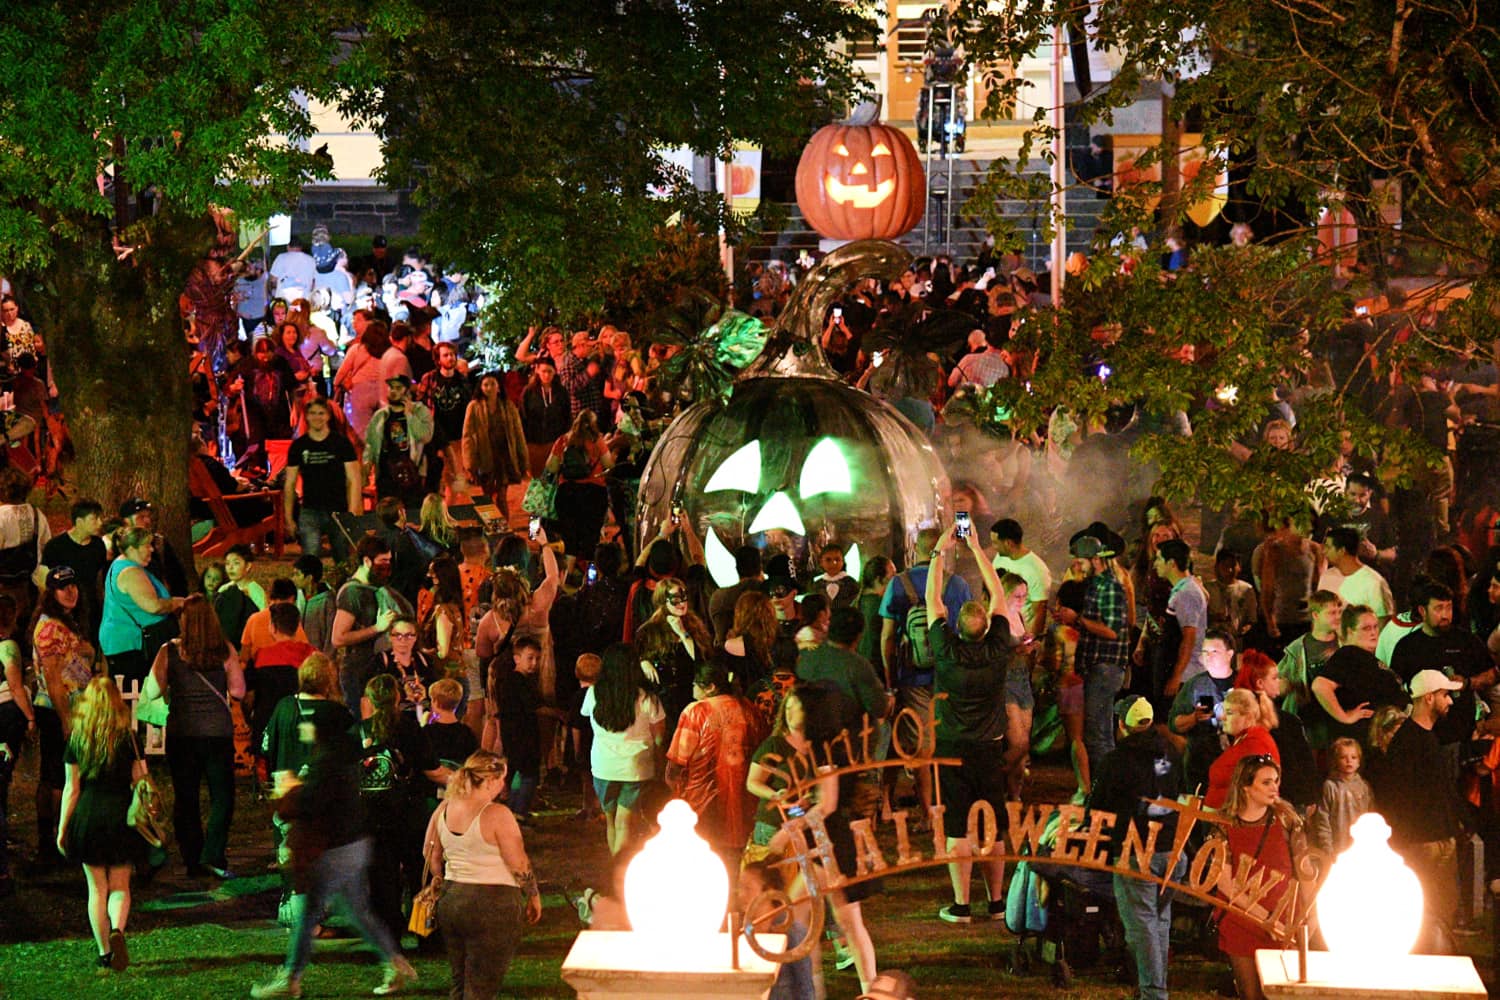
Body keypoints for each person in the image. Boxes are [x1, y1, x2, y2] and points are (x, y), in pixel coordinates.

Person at [251, 679, 417, 999]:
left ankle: (291, 979)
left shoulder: (325, 761)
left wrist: (287, 793)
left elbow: (312, 804)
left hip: (333, 849)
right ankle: (395, 963)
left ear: (321, 729)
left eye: (310, 725)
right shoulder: (341, 755)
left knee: (310, 913)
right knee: (357, 912)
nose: (304, 728)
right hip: (352, 845)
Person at [924, 523, 1010, 923]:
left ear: (956, 627)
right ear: (989, 628)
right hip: (990, 746)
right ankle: (996, 902)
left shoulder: (945, 650)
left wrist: (941, 551)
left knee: (957, 827)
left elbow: (932, 600)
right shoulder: (997, 650)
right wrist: (976, 548)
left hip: (953, 747)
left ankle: (960, 904)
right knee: (992, 824)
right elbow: (1000, 597)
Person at [1085, 696, 1186, 1000]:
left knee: (1142, 926)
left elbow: (1098, 810)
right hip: (1173, 852)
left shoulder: (1115, 761)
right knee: (1159, 922)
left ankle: (1154, 993)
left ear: (1121, 725)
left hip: (1138, 852)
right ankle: (1157, 986)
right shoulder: (1170, 752)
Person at [421, 751, 543, 999]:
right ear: (489, 781)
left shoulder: (444, 809)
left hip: (453, 900)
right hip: (492, 904)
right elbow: (518, 863)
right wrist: (533, 895)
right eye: (502, 779)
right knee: (483, 985)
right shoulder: (498, 814)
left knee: (460, 979)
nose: (503, 785)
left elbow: (430, 853)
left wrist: (441, 878)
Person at [143, 595, 244, 879]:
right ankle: (213, 853)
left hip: (182, 734)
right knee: (222, 796)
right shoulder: (224, 650)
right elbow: (237, 690)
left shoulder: (169, 651)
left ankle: (192, 860)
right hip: (217, 733)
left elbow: (151, 691)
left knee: (185, 797)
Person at [1365, 669, 1465, 954]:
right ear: (1429, 698)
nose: (1450, 701)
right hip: (1423, 841)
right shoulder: (1409, 741)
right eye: (1446, 695)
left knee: (1439, 909)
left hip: (1436, 837)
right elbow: (1400, 796)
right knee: (1428, 910)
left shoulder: (1422, 738)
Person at [56, 677, 142, 972]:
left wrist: (62, 828)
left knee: (97, 889)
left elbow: (72, 789)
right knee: (120, 884)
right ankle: (117, 928)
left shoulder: (77, 739)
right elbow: (139, 781)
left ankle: (105, 952)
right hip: (120, 815)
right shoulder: (127, 738)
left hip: (88, 816)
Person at [356, 673, 444, 942]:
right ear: (398, 697)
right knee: (420, 874)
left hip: (373, 816)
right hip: (409, 811)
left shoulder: (359, 731)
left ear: (369, 700)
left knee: (383, 879)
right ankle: (425, 933)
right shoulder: (409, 728)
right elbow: (431, 770)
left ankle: (389, 940)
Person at [1216, 756, 1304, 1000]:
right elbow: (1224, 882)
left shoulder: (1287, 819)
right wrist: (1266, 919)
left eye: (1276, 781)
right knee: (1251, 994)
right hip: (1242, 920)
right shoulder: (1223, 825)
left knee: (1283, 993)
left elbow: (1306, 872)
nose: (1274, 787)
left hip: (1283, 919)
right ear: (1245, 786)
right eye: (1266, 782)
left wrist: (1305, 920)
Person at [31, 567, 97, 868]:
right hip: (58, 709)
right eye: (63, 588)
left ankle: (62, 838)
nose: (70, 592)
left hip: (75, 706)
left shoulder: (65, 623)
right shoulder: (49, 630)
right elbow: (54, 679)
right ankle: (55, 841)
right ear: (50, 593)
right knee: (58, 776)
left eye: (73, 586)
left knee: (64, 774)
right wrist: (66, 718)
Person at [665, 661, 766, 851]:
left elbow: (678, 759)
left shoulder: (696, 711)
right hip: (745, 802)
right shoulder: (750, 710)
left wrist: (674, 791)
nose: (692, 687)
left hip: (703, 802)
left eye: (695, 683)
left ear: (710, 687)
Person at [1053, 534, 1129, 769]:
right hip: (1094, 666)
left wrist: (1078, 619)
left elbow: (1112, 631)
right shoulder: (1094, 586)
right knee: (1094, 731)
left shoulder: (1110, 588)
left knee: (1099, 733)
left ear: (1095, 560)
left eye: (1080, 561)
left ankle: (1104, 790)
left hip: (1106, 668)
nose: (1076, 566)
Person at [581, 643, 665, 855]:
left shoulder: (594, 693)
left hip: (603, 767)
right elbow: (659, 737)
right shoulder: (647, 698)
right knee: (625, 824)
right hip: (636, 768)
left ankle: (615, 869)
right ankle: (618, 875)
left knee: (611, 823)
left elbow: (585, 716)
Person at [331, 535, 414, 713]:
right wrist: (377, 628)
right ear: (367, 561)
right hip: (358, 672)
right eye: (383, 560)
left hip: (379, 668)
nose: (387, 566)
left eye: (389, 560)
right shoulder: (352, 593)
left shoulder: (379, 588)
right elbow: (338, 638)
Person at [1308, 604, 1408, 748]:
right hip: (1364, 743)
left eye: (1375, 627)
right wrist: (1345, 717)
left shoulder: (1366, 658)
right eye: (1366, 628)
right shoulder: (1348, 654)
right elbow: (1320, 686)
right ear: (1350, 631)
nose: (1373, 632)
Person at [99, 527, 185, 684]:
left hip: (127, 644)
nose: (151, 549)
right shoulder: (130, 572)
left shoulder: (124, 565)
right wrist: (177, 602)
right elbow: (153, 606)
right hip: (133, 646)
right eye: (147, 545)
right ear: (132, 549)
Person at [283, 396, 362, 565]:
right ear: (307, 416)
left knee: (343, 560)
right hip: (310, 510)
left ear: (328, 416)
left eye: (321, 413)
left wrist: (353, 512)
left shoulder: (341, 443)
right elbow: (289, 484)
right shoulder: (299, 446)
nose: (317, 417)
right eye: (312, 413)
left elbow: (353, 479)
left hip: (338, 509)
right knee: (310, 561)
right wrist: (288, 517)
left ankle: (343, 590)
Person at [634, 575, 713, 737]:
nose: (682, 603)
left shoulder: (695, 625)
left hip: (691, 695)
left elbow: (701, 659)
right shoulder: (648, 631)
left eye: (684, 597)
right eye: (676, 599)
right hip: (663, 700)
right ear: (664, 600)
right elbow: (636, 658)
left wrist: (683, 634)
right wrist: (643, 662)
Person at [1170, 628, 1237, 797]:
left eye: (1215, 651)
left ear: (1229, 654)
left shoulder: (1243, 682)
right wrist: (1194, 717)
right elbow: (1174, 723)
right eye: (1205, 651)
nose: (1209, 656)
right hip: (1201, 764)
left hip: (1237, 764)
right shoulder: (1194, 686)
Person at [547, 409, 614, 562]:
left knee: (570, 536)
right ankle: (588, 575)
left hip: (567, 493)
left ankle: (569, 574)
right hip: (594, 493)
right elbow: (608, 464)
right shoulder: (597, 441)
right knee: (590, 536)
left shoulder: (564, 440)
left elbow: (551, 467)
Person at [461, 371, 528, 525]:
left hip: (504, 458)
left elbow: (518, 434)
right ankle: (491, 525)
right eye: (485, 384)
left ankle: (504, 527)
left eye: (492, 384)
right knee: (487, 496)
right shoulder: (474, 407)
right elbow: (468, 436)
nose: (489, 388)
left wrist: (522, 459)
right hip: (485, 458)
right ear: (481, 387)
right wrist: (470, 463)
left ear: (499, 387)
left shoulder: (508, 406)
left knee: (502, 496)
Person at [366, 374, 434, 517]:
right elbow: (370, 445)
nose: (393, 391)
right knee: (387, 517)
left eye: (398, 388)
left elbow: (425, 436)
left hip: (411, 475)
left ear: (407, 391)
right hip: (386, 476)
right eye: (391, 387)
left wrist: (409, 415)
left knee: (412, 516)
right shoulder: (380, 416)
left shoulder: (420, 411)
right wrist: (366, 468)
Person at [1205, 688, 1280, 809]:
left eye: (1229, 713)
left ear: (1248, 717)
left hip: (1240, 823)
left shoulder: (1256, 743)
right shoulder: (1244, 739)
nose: (1222, 717)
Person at [1308, 737, 1373, 854]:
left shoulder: (1364, 787)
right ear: (1336, 761)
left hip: (1361, 847)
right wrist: (1327, 847)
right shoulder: (1330, 786)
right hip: (1338, 846)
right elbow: (1323, 819)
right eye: (1343, 757)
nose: (1349, 761)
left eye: (1353, 757)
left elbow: (1371, 814)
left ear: (1359, 762)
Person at [990, 517, 1050, 636]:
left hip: (1020, 635)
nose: (993, 547)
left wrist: (1032, 642)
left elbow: (1039, 611)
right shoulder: (1000, 558)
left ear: (1008, 543)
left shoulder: (1037, 570)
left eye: (995, 543)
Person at [518, 354, 572, 479]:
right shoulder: (528, 392)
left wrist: (565, 438)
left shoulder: (561, 392)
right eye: (543, 371)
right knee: (537, 477)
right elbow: (522, 417)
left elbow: (567, 416)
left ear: (554, 372)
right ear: (537, 371)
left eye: (549, 371)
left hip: (555, 442)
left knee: (554, 477)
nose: (546, 375)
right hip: (534, 443)